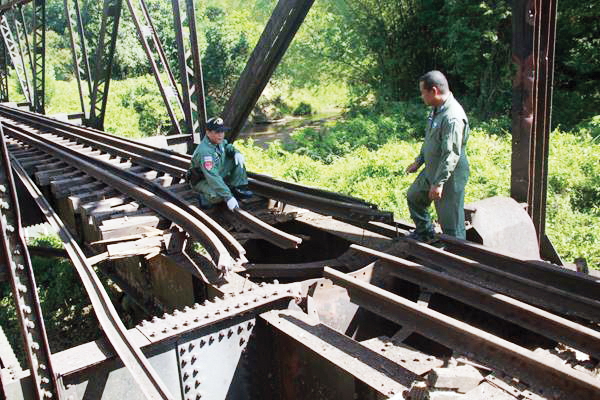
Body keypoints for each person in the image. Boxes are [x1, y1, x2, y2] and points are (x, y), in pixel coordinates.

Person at [405, 70, 470, 241]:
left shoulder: (452, 117)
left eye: (422, 92)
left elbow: (451, 153)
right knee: (414, 196)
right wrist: (418, 162)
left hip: (450, 175)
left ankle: (455, 258)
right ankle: (425, 233)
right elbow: (430, 141)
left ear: (433, 91)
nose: (421, 96)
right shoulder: (436, 110)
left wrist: (438, 183)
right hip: (432, 169)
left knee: (451, 223)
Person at [188, 117, 252, 210]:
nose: (221, 135)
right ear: (208, 132)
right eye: (217, 132)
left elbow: (226, 145)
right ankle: (204, 198)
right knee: (219, 196)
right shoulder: (205, 152)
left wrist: (236, 152)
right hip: (202, 179)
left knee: (236, 159)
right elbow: (212, 177)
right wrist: (228, 197)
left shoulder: (218, 141)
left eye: (222, 131)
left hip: (216, 171)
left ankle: (236, 188)